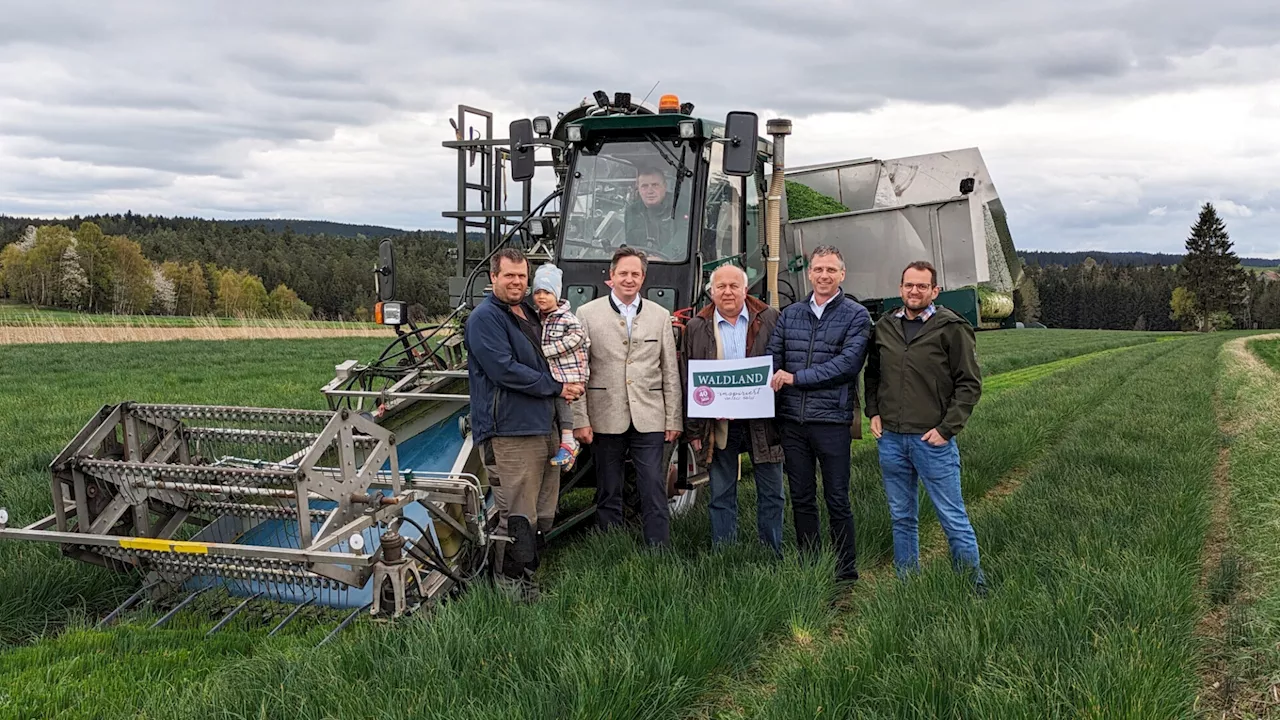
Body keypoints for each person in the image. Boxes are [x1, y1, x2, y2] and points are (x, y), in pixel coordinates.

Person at [464, 248, 583, 594]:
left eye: (521, 276)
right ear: (493, 278)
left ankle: (528, 579)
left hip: (543, 426)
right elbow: (505, 371)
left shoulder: (530, 312)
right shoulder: (485, 319)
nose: (517, 282)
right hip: (510, 432)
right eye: (509, 276)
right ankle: (509, 589)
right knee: (517, 514)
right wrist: (558, 387)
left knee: (543, 512)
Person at [865, 260, 986, 593]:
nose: (914, 291)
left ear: (935, 291)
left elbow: (970, 384)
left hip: (932, 441)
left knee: (952, 517)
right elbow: (873, 374)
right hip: (890, 439)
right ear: (900, 288)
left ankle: (973, 586)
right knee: (902, 518)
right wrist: (873, 410)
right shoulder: (885, 326)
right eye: (908, 285)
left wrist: (947, 429)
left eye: (922, 286)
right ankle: (908, 585)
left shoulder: (952, 327)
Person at [766, 245, 871, 583]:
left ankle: (845, 571)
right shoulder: (791, 314)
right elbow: (773, 357)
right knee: (801, 497)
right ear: (809, 274)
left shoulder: (856, 315)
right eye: (818, 269)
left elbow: (847, 365)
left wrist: (796, 379)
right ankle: (810, 564)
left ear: (842, 274)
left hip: (832, 421)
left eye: (831, 270)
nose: (824, 275)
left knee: (837, 498)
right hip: (793, 422)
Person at [573, 246, 683, 547]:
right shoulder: (586, 314)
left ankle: (658, 549)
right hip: (605, 414)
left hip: (650, 415)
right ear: (611, 276)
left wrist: (673, 418)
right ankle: (612, 548)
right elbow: (579, 371)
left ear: (643, 278)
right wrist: (580, 419)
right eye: (623, 273)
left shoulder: (660, 315)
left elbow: (669, 371)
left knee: (653, 485)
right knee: (609, 487)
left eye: (635, 273)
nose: (629, 279)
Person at [682, 263, 785, 555]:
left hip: (764, 422)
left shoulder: (770, 319)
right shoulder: (696, 327)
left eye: (734, 286)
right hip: (718, 424)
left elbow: (782, 363)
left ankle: (771, 552)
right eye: (721, 287)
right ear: (711, 292)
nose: (727, 292)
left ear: (745, 289)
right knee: (721, 492)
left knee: (772, 492)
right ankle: (724, 554)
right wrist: (695, 427)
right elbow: (688, 377)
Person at [530, 262, 590, 469]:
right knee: (555, 403)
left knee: (563, 401)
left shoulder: (566, 318)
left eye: (547, 292)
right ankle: (566, 448)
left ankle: (568, 443)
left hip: (569, 372)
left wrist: (547, 351)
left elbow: (577, 337)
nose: (541, 297)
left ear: (557, 293)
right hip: (554, 372)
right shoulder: (538, 318)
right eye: (537, 292)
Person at [624, 164, 684, 261]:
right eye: (644, 186)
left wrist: (663, 256)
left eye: (655, 185)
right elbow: (630, 241)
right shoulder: (632, 211)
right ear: (638, 189)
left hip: (675, 264)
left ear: (665, 186)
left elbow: (683, 237)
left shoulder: (679, 206)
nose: (650, 191)